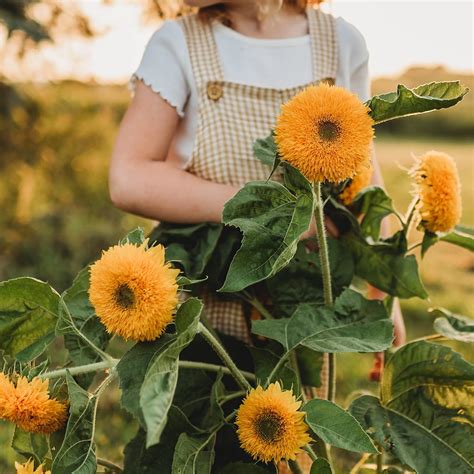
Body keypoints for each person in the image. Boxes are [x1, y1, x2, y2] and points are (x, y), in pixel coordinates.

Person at [110, 0, 405, 390]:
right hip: (210, 304)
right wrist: (271, 216)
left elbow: (363, 172)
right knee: (211, 424)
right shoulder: (179, 43)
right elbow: (129, 177)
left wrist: (386, 294)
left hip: (305, 309)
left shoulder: (341, 43)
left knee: (299, 430)